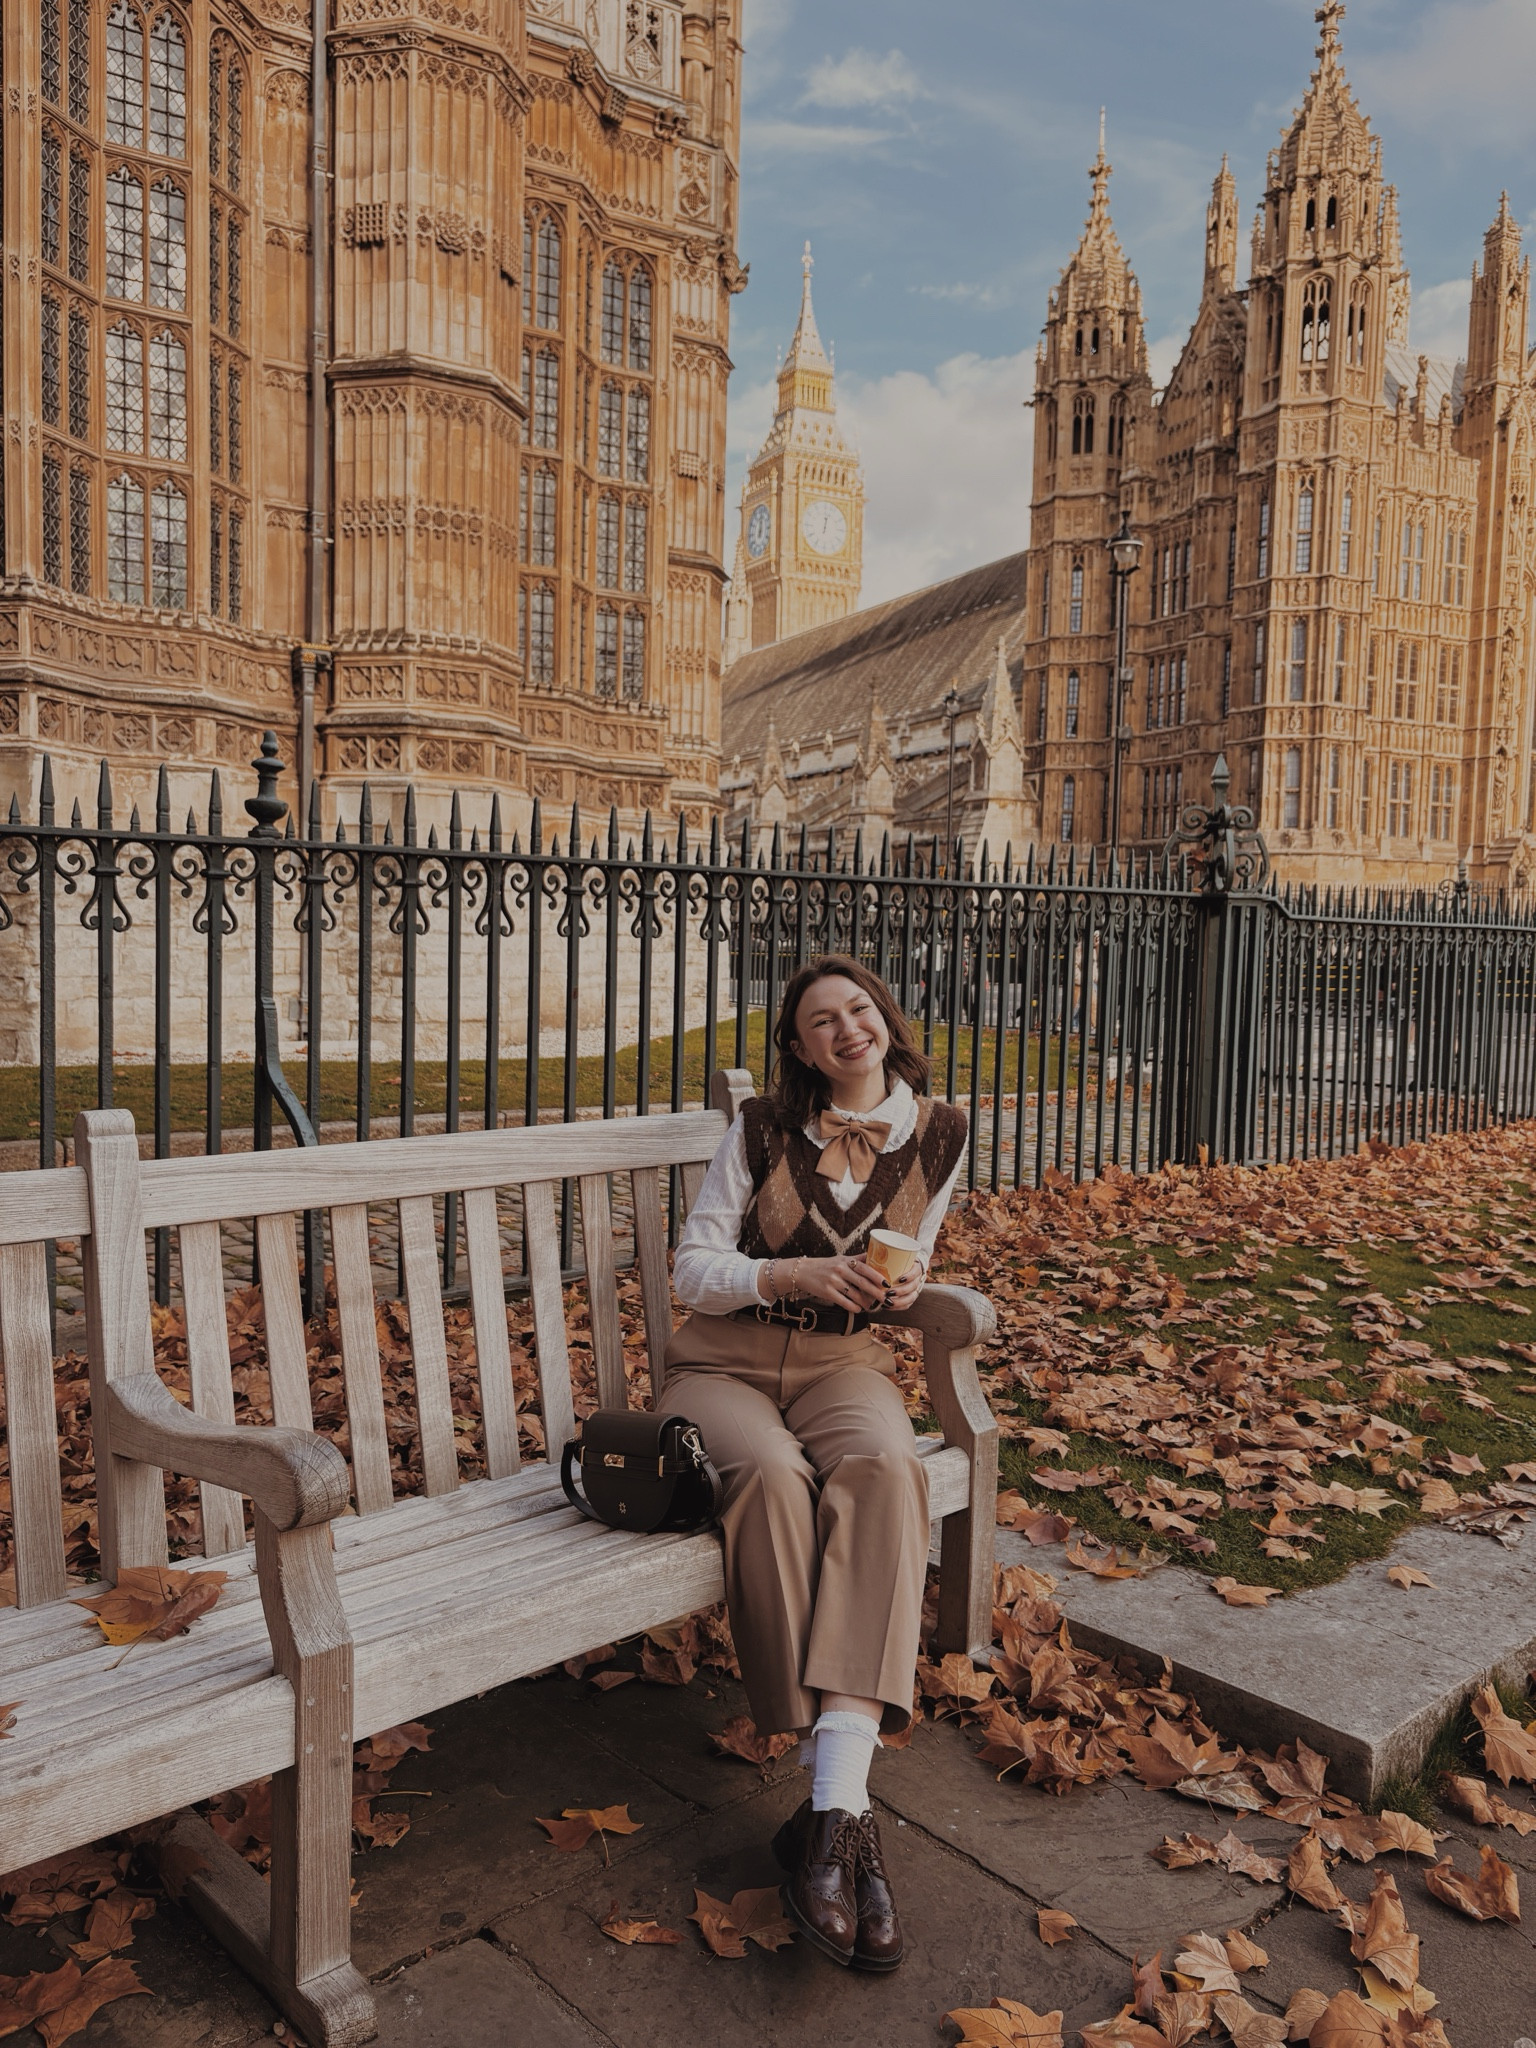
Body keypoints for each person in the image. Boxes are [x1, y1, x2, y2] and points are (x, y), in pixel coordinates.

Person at [660, 954, 968, 1970]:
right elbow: (693, 1271)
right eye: (821, 1020)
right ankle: (836, 1807)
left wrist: (906, 1274)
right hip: (724, 1364)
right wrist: (789, 1267)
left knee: (887, 1464)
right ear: (797, 1047)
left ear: (885, 1016)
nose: (846, 1028)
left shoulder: (942, 1132)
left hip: (843, 1362)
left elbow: (913, 1245)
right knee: (774, 1478)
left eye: (859, 1008)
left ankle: (831, 1812)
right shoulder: (755, 1133)